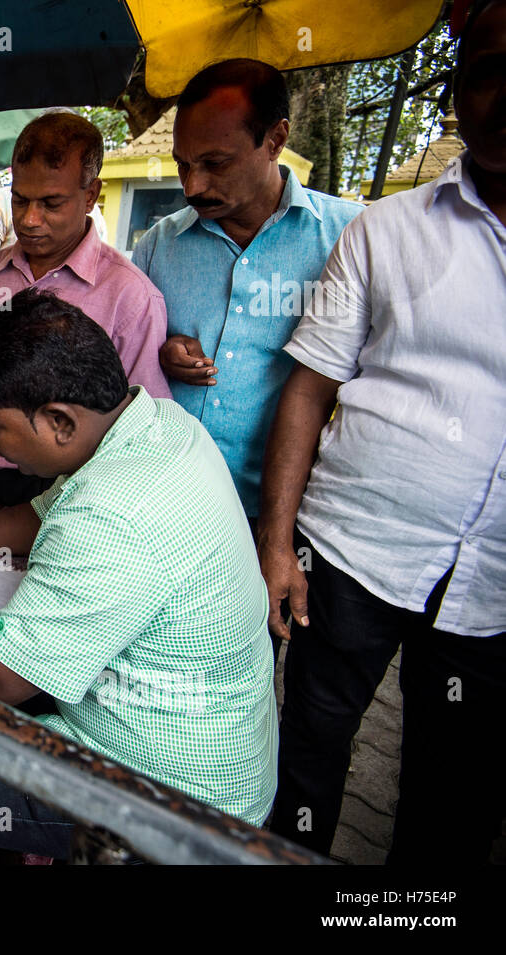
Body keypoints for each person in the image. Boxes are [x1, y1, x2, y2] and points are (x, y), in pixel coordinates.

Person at [0, 290, 276, 863]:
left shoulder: (112, 511)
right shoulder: (154, 424)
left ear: (58, 421)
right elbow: (42, 517)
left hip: (171, 798)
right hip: (210, 748)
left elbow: (2, 679)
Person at [260, 0, 506, 864]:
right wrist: (279, 542)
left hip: (496, 590)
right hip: (355, 553)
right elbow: (308, 389)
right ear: (456, 89)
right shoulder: (388, 230)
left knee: (456, 791)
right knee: (308, 759)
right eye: (488, 72)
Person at [131, 59, 362, 522]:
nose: (193, 186)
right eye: (183, 165)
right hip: (161, 499)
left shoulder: (350, 238)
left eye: (215, 164)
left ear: (275, 139)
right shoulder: (159, 245)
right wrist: (161, 350)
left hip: (282, 514)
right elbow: (128, 354)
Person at [0, 113, 169, 508]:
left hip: (76, 495)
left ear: (90, 194)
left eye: (50, 203)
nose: (29, 220)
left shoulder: (130, 296)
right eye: (20, 200)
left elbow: (144, 426)